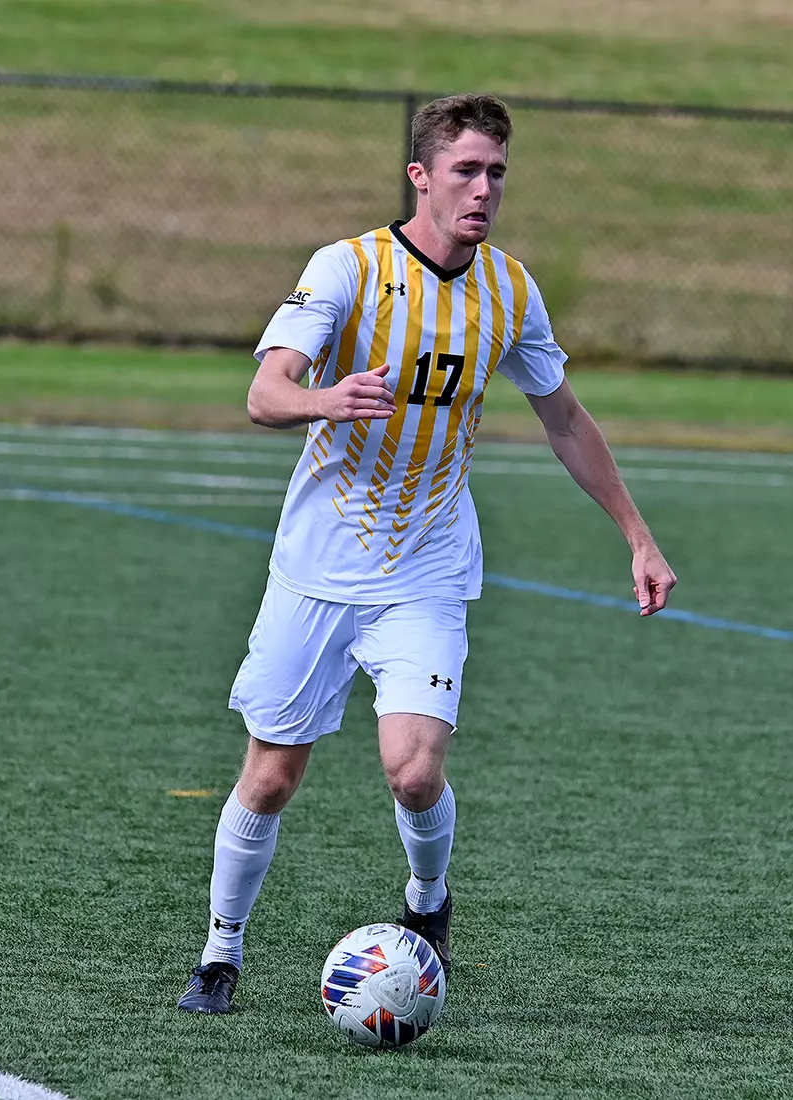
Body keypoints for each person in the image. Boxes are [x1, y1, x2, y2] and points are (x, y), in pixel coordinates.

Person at [177, 93, 677, 1014]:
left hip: (427, 568)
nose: (484, 189)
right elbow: (265, 393)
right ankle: (221, 951)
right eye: (466, 170)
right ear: (421, 175)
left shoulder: (510, 291)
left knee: (414, 770)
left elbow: (565, 418)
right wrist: (324, 400)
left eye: (497, 173)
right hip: (318, 567)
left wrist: (638, 536)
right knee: (271, 778)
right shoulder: (349, 267)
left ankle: (428, 899)